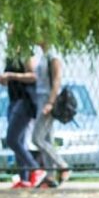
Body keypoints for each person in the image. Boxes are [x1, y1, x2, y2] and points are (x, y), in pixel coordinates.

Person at [0, 53, 42, 189]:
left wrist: (11, 75)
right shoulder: (10, 57)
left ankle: (35, 169)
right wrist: (3, 79)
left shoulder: (26, 55)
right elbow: (10, 81)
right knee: (19, 142)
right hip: (13, 101)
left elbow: (33, 76)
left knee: (12, 140)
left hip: (24, 101)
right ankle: (24, 179)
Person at [30, 40, 69, 188]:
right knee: (47, 138)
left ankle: (62, 165)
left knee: (37, 138)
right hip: (41, 98)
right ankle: (50, 175)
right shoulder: (44, 56)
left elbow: (57, 79)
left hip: (47, 99)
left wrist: (50, 102)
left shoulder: (53, 56)